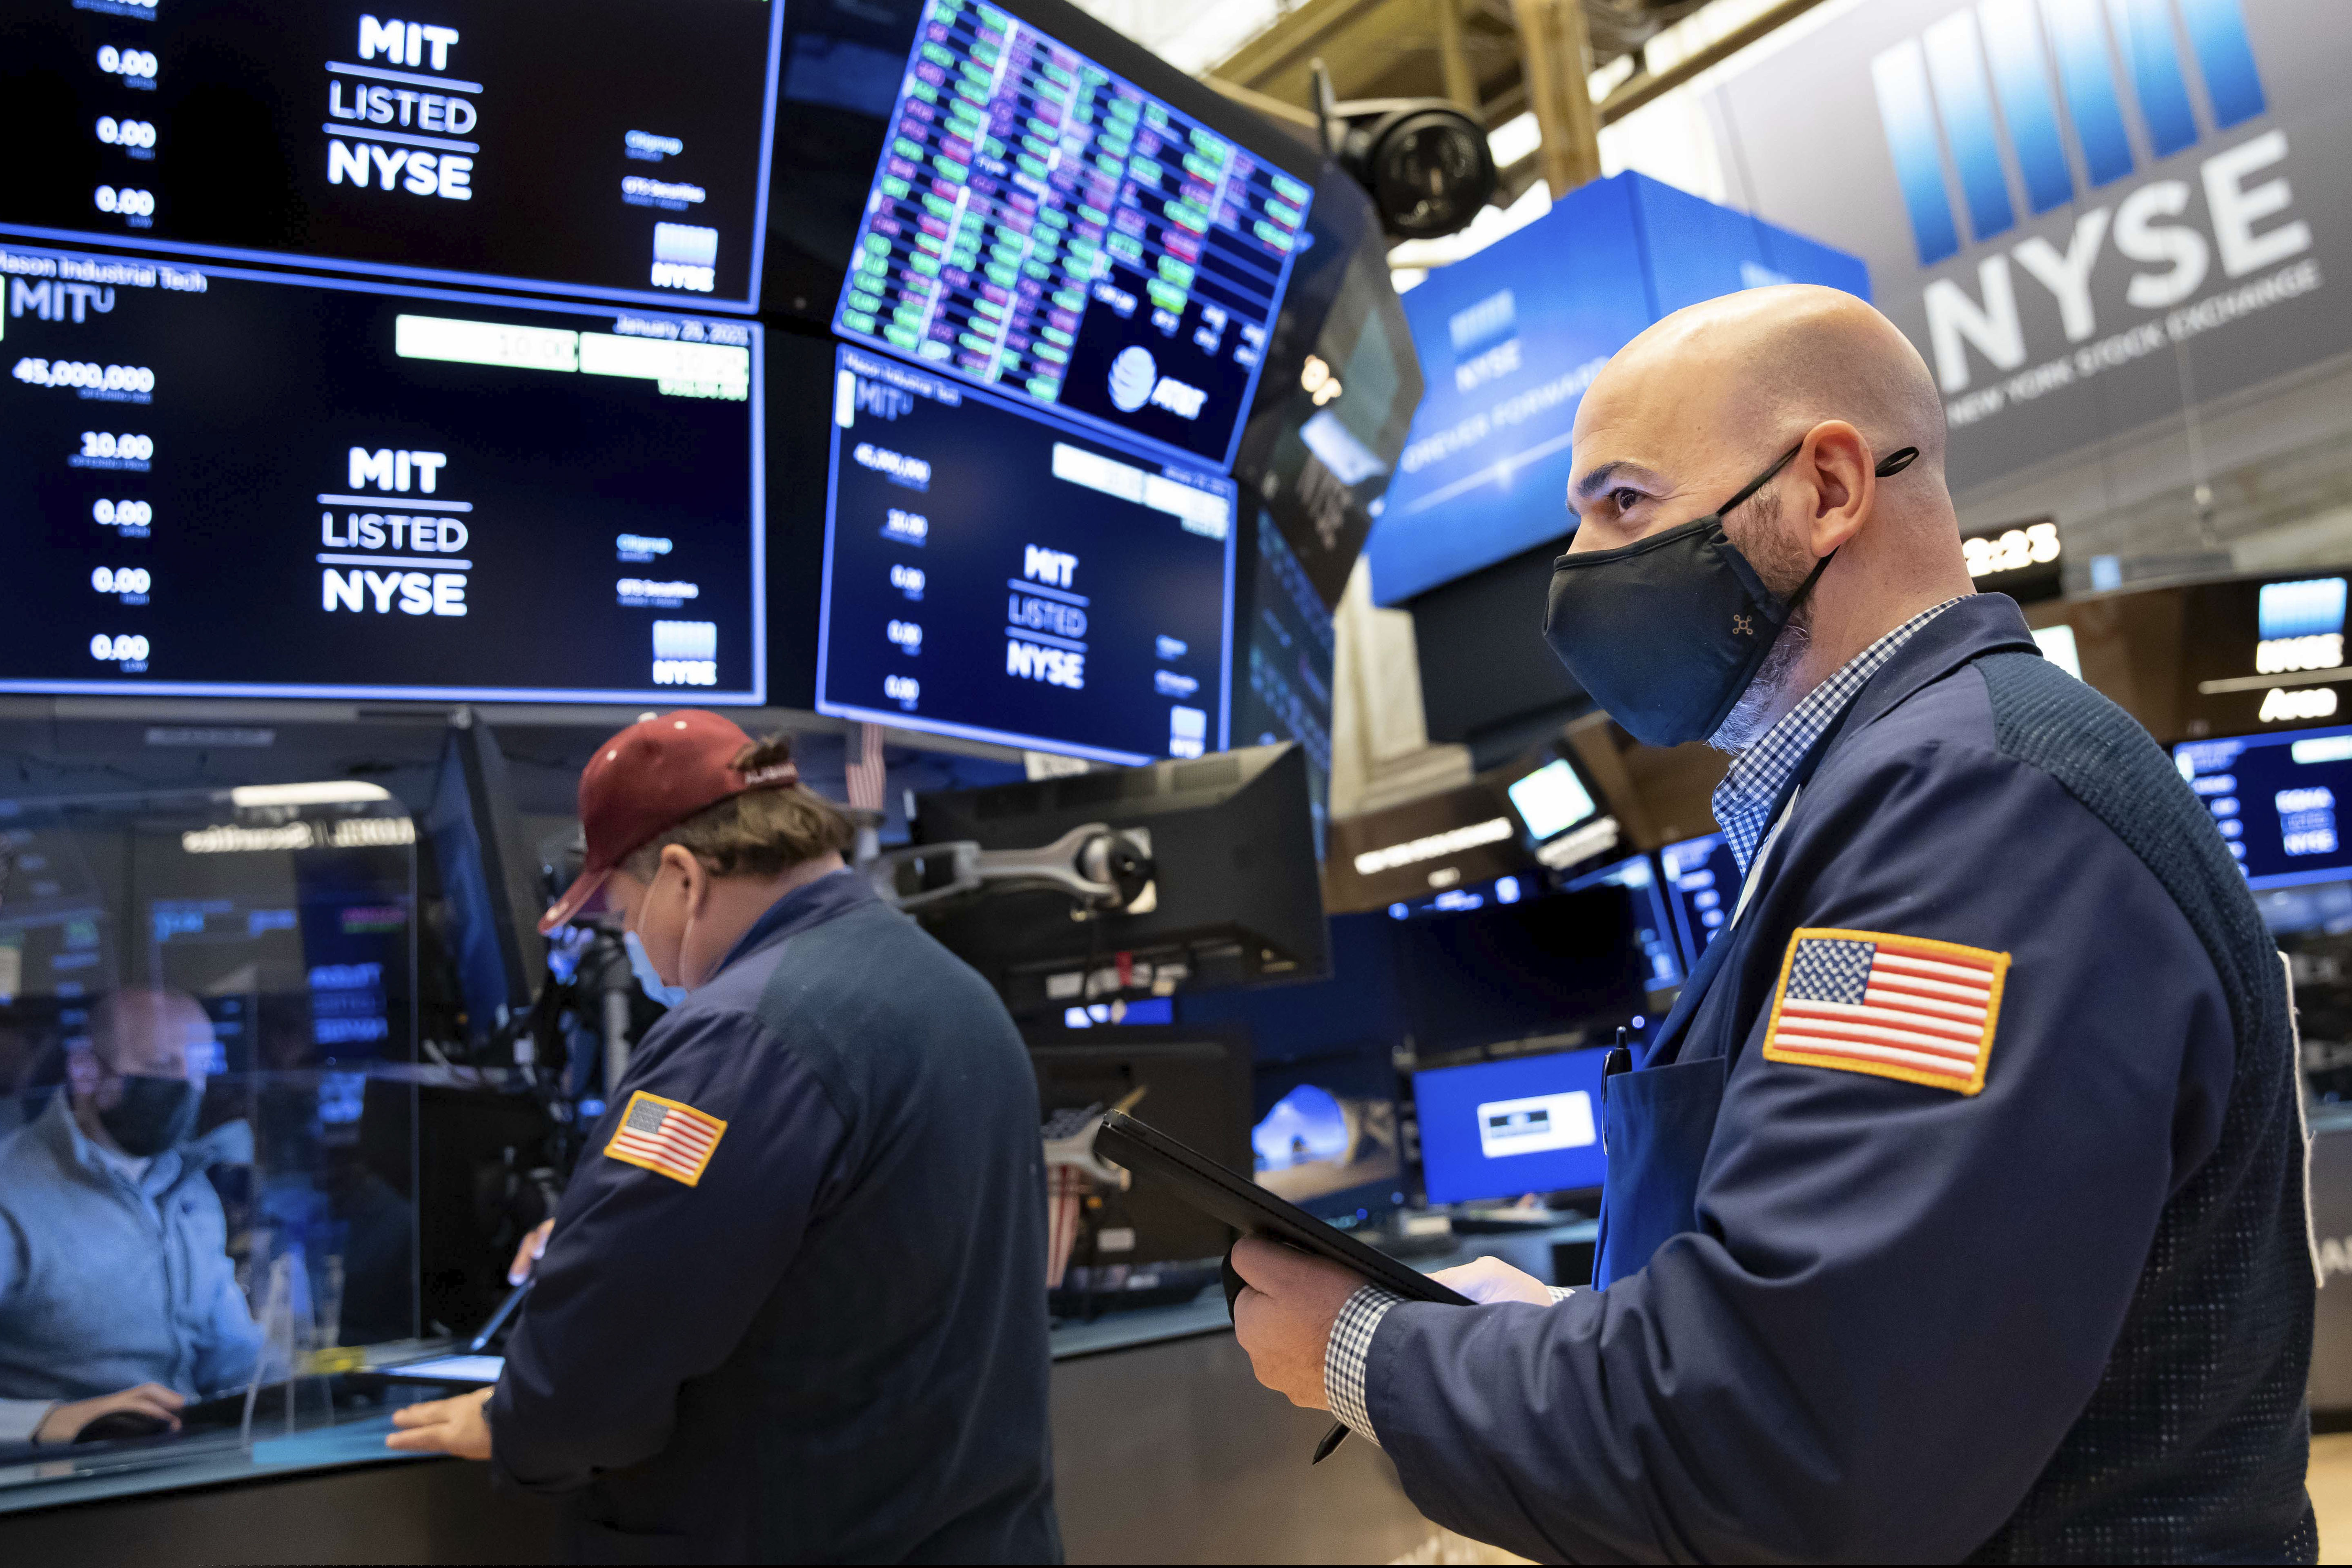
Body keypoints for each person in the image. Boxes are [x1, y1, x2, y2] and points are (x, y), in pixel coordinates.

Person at [1230, 285, 2316, 1561]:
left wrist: (1367, 1349)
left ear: (1829, 488)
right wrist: (1539, 1329)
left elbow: (1793, 1435)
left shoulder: (1973, 818)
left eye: (1624, 501)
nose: (1578, 569)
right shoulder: (1882, 797)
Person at [389, 711, 1061, 1564]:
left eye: (627, 915)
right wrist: (624, 1227)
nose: (641, 952)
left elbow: (602, 1362)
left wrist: (515, 1422)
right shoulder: (952, 989)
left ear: (681, 876)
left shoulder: (739, 1034)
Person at [0, 987, 261, 1444]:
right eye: (162, 1066)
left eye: (199, 1069)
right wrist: (47, 1422)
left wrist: (317, 1392)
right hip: (67, 1485)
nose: (186, 1086)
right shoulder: (12, 1194)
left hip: (193, 1464)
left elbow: (233, 1358)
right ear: (85, 1071)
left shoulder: (189, 1187)